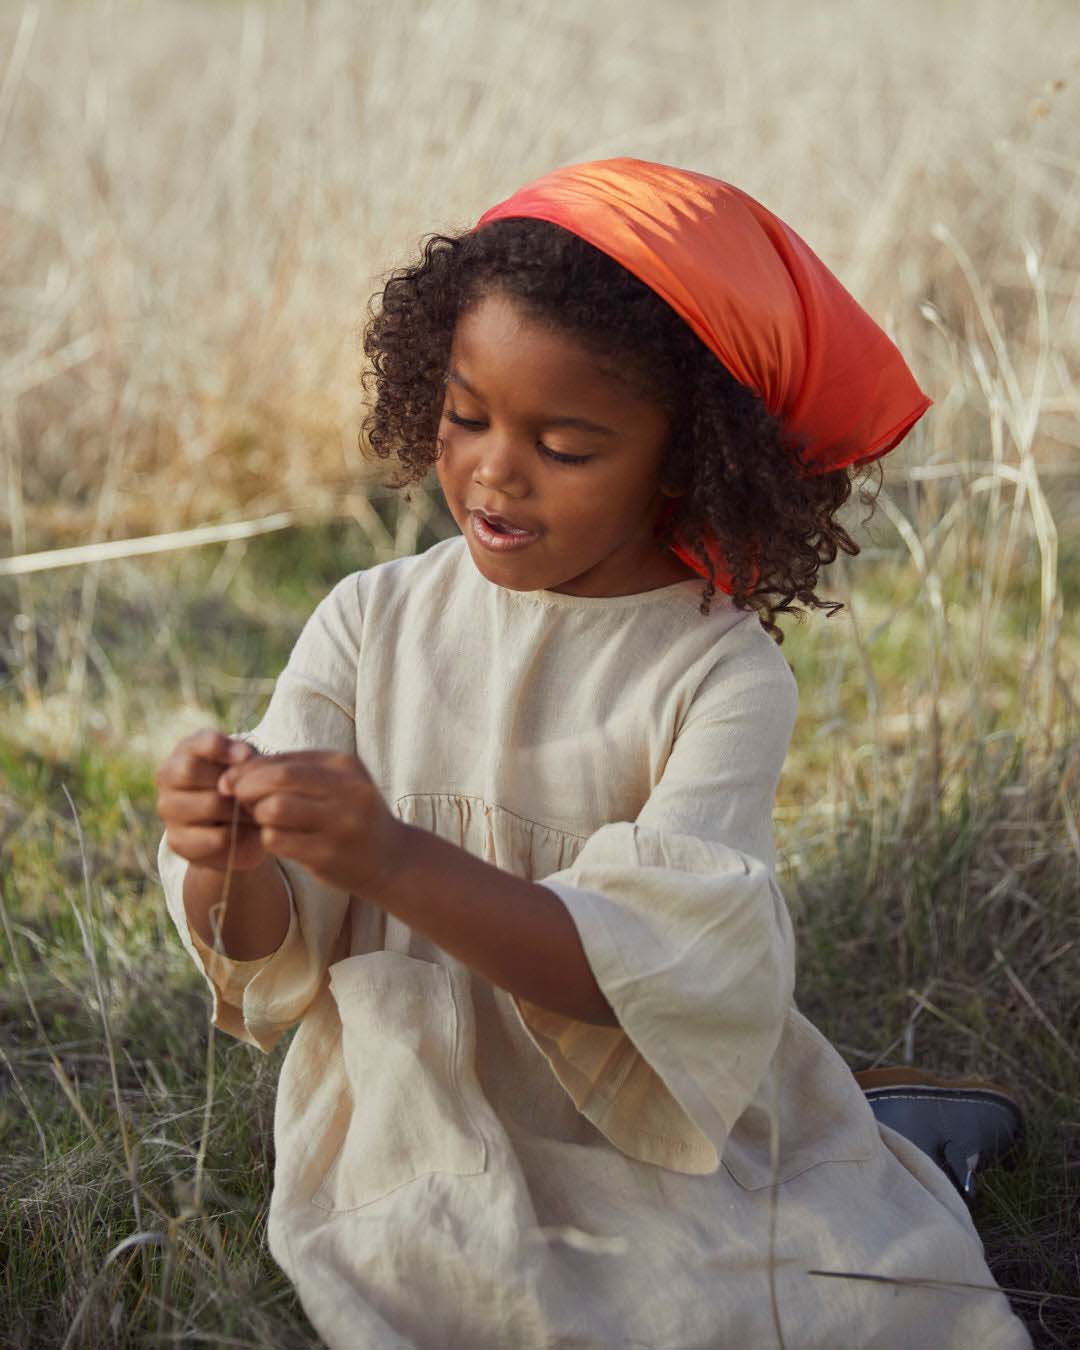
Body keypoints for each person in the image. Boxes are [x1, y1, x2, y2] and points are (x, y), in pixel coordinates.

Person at [155, 159, 1032, 1349]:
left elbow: (646, 969)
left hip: (647, 1120)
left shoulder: (715, 673)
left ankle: (893, 1137)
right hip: (414, 1105)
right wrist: (226, 858)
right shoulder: (369, 621)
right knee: (463, 1285)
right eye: (465, 416)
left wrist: (395, 859)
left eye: (564, 445)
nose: (492, 470)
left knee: (824, 1300)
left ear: (689, 458)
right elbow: (268, 958)